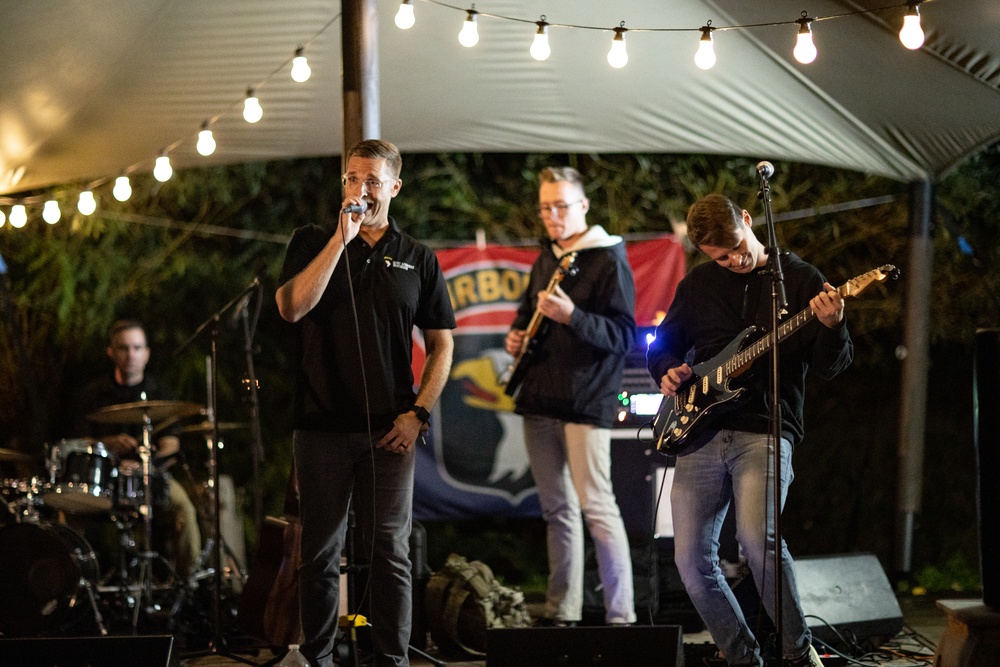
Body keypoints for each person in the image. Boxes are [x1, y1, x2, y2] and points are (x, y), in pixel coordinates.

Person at [646, 194, 853, 667]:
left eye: (736, 248)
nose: (733, 260)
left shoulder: (799, 280)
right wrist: (667, 370)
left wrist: (833, 325)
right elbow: (664, 346)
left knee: (757, 543)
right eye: (719, 257)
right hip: (699, 433)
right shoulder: (698, 285)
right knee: (691, 562)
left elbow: (832, 366)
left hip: (764, 428)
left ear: (747, 219)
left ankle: (801, 656)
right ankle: (743, 658)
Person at [275, 139, 455, 667]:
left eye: (373, 181)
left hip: (390, 430)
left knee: (390, 554)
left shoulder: (418, 257)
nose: (361, 190)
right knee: (319, 555)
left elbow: (443, 344)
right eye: (353, 179)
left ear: (395, 187)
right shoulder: (312, 240)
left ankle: (390, 659)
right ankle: (319, 657)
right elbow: (290, 308)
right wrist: (340, 238)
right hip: (321, 426)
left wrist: (418, 412)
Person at [504, 166, 637, 627]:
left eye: (561, 205)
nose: (552, 215)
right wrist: (517, 336)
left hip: (586, 401)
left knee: (597, 507)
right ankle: (563, 611)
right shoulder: (548, 256)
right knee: (556, 511)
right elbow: (527, 313)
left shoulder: (609, 258)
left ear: (583, 206)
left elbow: (624, 336)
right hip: (539, 398)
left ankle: (622, 617)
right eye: (545, 207)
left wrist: (572, 316)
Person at [72, 319, 203, 579]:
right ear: (111, 351)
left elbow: (171, 445)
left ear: (147, 353)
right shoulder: (93, 395)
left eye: (137, 347)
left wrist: (145, 464)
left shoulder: (160, 393)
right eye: (123, 348)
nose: (130, 354)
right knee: (71, 506)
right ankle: (81, 582)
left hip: (151, 477)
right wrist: (108, 446)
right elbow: (78, 444)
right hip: (105, 480)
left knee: (185, 509)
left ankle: (191, 584)